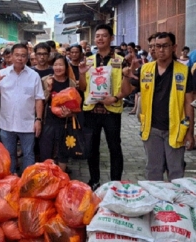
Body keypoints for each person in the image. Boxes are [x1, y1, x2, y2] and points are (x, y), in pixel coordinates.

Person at [122, 32, 194, 181]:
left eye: (165, 46)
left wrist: (190, 132)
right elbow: (126, 91)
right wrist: (126, 75)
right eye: (157, 46)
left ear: (174, 47)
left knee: (176, 172)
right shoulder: (145, 69)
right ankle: (156, 203)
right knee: (153, 171)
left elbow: (189, 103)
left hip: (175, 129)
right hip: (151, 129)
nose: (160, 50)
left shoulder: (184, 71)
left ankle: (175, 203)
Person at [0, 43, 45, 174]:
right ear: (11, 56)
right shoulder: (2, 74)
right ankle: (11, 180)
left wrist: (38, 120)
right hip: (6, 123)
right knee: (9, 155)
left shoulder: (34, 75)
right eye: (17, 55)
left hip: (27, 123)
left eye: (23, 56)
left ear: (27, 58)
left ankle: (27, 181)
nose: (20, 58)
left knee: (28, 154)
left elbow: (39, 99)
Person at [83, 24, 125, 191]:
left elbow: (128, 86)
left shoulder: (120, 61)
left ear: (111, 38)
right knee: (91, 148)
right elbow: (82, 86)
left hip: (111, 111)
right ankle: (94, 180)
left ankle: (115, 183)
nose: (100, 38)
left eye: (104, 35)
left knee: (114, 147)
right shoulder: (88, 61)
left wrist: (115, 97)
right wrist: (80, 73)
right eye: (97, 35)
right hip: (91, 111)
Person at [39, 55, 86, 172]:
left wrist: (70, 113)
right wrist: (48, 90)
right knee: (46, 152)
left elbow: (77, 105)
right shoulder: (45, 80)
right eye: (55, 65)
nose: (58, 67)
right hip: (48, 122)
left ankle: (61, 177)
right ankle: (47, 178)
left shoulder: (71, 83)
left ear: (66, 67)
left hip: (66, 123)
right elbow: (40, 101)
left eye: (61, 65)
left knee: (63, 153)